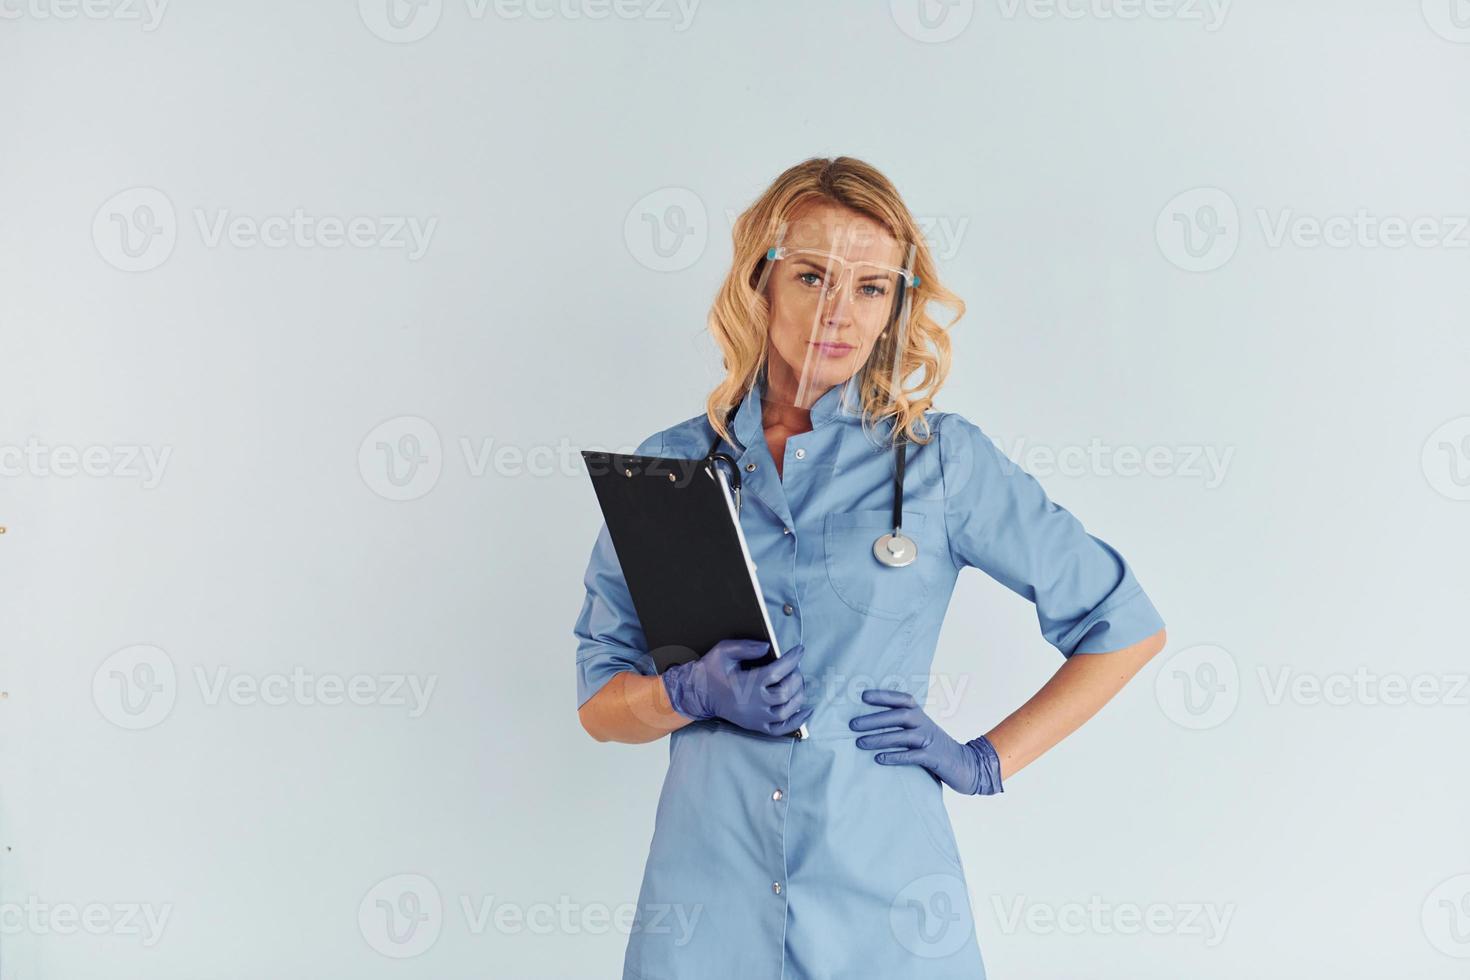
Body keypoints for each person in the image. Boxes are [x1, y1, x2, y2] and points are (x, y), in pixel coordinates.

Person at [573, 156, 1167, 979]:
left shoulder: (938, 463)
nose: (839, 313)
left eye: (872, 288)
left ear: (897, 304)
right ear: (761, 282)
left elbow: (1125, 627)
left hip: (887, 914)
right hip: (706, 912)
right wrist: (683, 693)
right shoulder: (670, 470)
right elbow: (600, 706)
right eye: (813, 276)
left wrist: (985, 759)